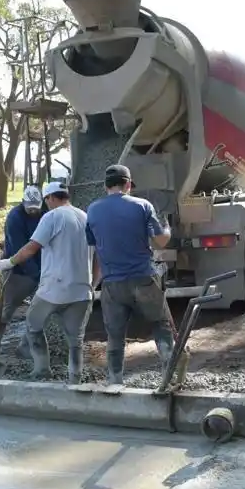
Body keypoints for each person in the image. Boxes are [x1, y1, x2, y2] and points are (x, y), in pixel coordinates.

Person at [0, 181, 93, 382]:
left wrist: (9, 262)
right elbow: (97, 256)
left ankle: (41, 369)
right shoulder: (85, 216)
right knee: (76, 340)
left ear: (49, 198)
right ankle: (75, 378)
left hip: (54, 288)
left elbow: (31, 248)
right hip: (82, 290)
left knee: (33, 324)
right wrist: (93, 282)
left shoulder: (52, 216)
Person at [86, 164, 173, 385]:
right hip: (143, 278)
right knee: (161, 325)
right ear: (127, 184)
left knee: (115, 335)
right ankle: (169, 376)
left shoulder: (93, 209)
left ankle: (115, 380)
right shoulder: (142, 205)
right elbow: (160, 241)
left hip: (112, 284)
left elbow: (95, 248)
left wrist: (94, 283)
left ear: (106, 185)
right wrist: (168, 228)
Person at [0, 186, 45, 356]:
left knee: (37, 312)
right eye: (30, 207)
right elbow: (21, 250)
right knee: (6, 311)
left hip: (39, 269)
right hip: (16, 271)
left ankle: (25, 347)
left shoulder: (45, 214)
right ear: (23, 202)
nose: (33, 211)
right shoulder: (15, 217)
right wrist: (36, 274)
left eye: (36, 207)